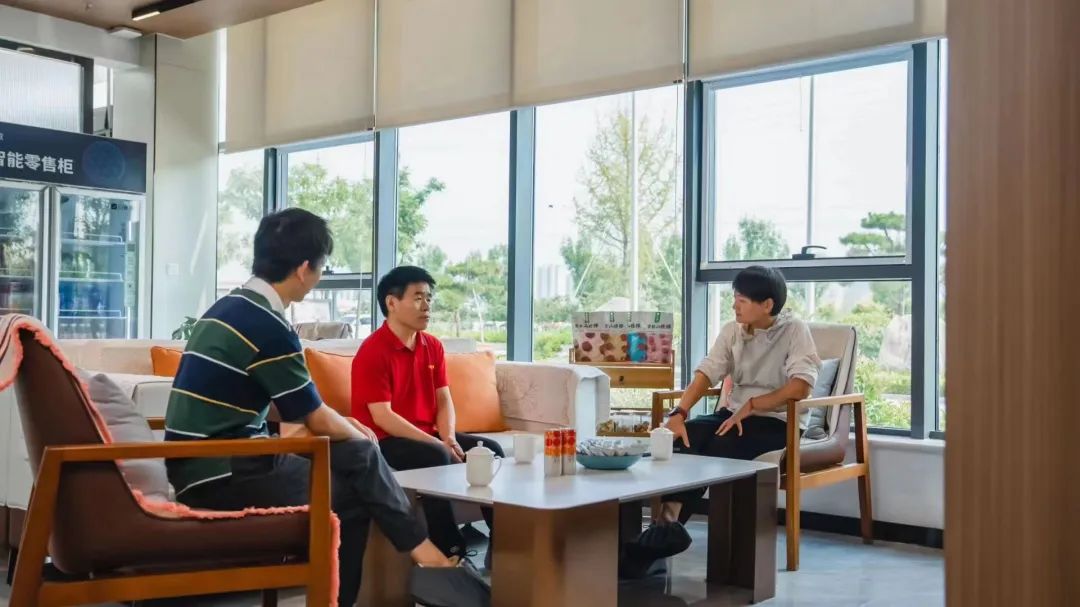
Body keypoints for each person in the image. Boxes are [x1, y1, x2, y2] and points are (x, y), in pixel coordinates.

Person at [164, 209, 488, 607]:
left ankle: (427, 559)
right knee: (356, 478)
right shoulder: (268, 324)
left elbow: (292, 408)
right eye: (322, 268)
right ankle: (425, 563)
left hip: (206, 462)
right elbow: (315, 416)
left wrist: (347, 429)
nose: (320, 276)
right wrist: (355, 433)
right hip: (223, 471)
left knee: (357, 457)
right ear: (304, 269)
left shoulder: (230, 309)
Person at [624, 266, 821, 574]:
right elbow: (708, 371)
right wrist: (679, 413)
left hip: (778, 421)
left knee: (719, 446)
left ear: (767, 304)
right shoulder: (732, 330)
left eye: (741, 300)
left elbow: (801, 386)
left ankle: (659, 542)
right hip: (733, 415)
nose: (734, 306)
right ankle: (665, 529)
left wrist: (754, 404)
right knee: (685, 437)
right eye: (735, 298)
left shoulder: (794, 330)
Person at [352, 265, 504, 565]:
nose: (427, 306)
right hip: (384, 441)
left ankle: (503, 543)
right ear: (392, 303)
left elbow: (443, 399)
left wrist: (448, 437)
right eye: (418, 297)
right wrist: (438, 444)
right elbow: (382, 417)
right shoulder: (373, 351)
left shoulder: (432, 346)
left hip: (428, 434)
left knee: (490, 450)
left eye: (429, 298)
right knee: (435, 456)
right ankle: (450, 548)